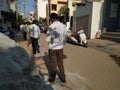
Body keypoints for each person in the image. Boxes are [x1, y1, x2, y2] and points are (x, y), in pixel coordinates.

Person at [45, 13, 67, 83]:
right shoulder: (63, 26)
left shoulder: (50, 27)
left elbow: (48, 39)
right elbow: (65, 37)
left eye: (50, 19)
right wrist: (62, 43)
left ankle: (52, 79)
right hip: (60, 48)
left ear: (52, 19)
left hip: (53, 48)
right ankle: (63, 78)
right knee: (60, 63)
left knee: (53, 64)